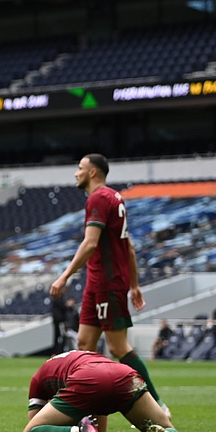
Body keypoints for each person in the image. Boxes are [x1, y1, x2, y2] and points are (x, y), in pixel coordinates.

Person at [49, 154, 165, 412]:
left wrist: (64, 275)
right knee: (85, 344)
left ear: (92, 172)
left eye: (80, 168)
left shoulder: (99, 198)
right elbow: (130, 247)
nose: (75, 173)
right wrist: (134, 285)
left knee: (117, 346)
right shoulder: (115, 197)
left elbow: (90, 243)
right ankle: (85, 409)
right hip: (99, 281)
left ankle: (157, 404)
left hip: (107, 281)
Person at [21, 350, 188, 432]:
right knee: (166, 427)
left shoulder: (38, 377)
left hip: (86, 379)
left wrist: (71, 429)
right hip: (125, 374)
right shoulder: (82, 356)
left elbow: (33, 430)